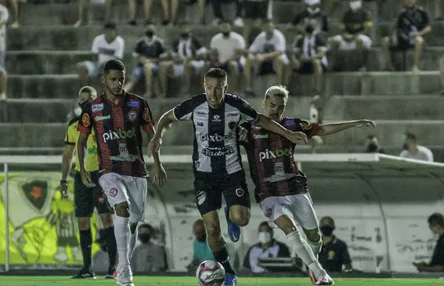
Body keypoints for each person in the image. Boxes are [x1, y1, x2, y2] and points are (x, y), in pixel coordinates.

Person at [148, 68, 307, 286]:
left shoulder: (236, 105)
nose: (213, 94)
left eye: (218, 88)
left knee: (241, 219)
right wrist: (157, 137)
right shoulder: (194, 105)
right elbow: (167, 118)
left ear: (226, 88)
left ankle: (230, 214)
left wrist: (289, 134)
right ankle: (229, 271)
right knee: (211, 228)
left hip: (232, 172)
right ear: (204, 86)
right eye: (209, 88)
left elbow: (261, 120)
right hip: (205, 176)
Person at [239, 85, 375, 285]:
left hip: (295, 187)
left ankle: (312, 263)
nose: (275, 110)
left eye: (280, 107)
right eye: (272, 105)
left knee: (314, 238)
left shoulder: (293, 125)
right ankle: (319, 273)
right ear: (264, 102)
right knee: (289, 228)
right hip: (268, 192)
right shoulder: (248, 127)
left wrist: (354, 124)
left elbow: (323, 128)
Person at [77, 59, 167, 286]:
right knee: (122, 209)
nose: (118, 84)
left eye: (121, 79)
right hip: (108, 170)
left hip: (136, 171)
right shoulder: (93, 108)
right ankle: (124, 269)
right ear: (103, 80)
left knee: (134, 222)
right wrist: (83, 170)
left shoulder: (138, 104)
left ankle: (123, 261)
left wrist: (157, 162)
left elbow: (152, 135)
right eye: (113, 79)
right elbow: (81, 141)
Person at [61, 86, 117, 279]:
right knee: (83, 221)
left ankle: (113, 268)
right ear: (78, 102)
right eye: (82, 99)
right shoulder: (73, 126)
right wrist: (63, 179)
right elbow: (68, 155)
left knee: (106, 218)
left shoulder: (105, 123)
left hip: (102, 175)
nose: (85, 102)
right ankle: (87, 268)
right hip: (81, 176)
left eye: (89, 99)